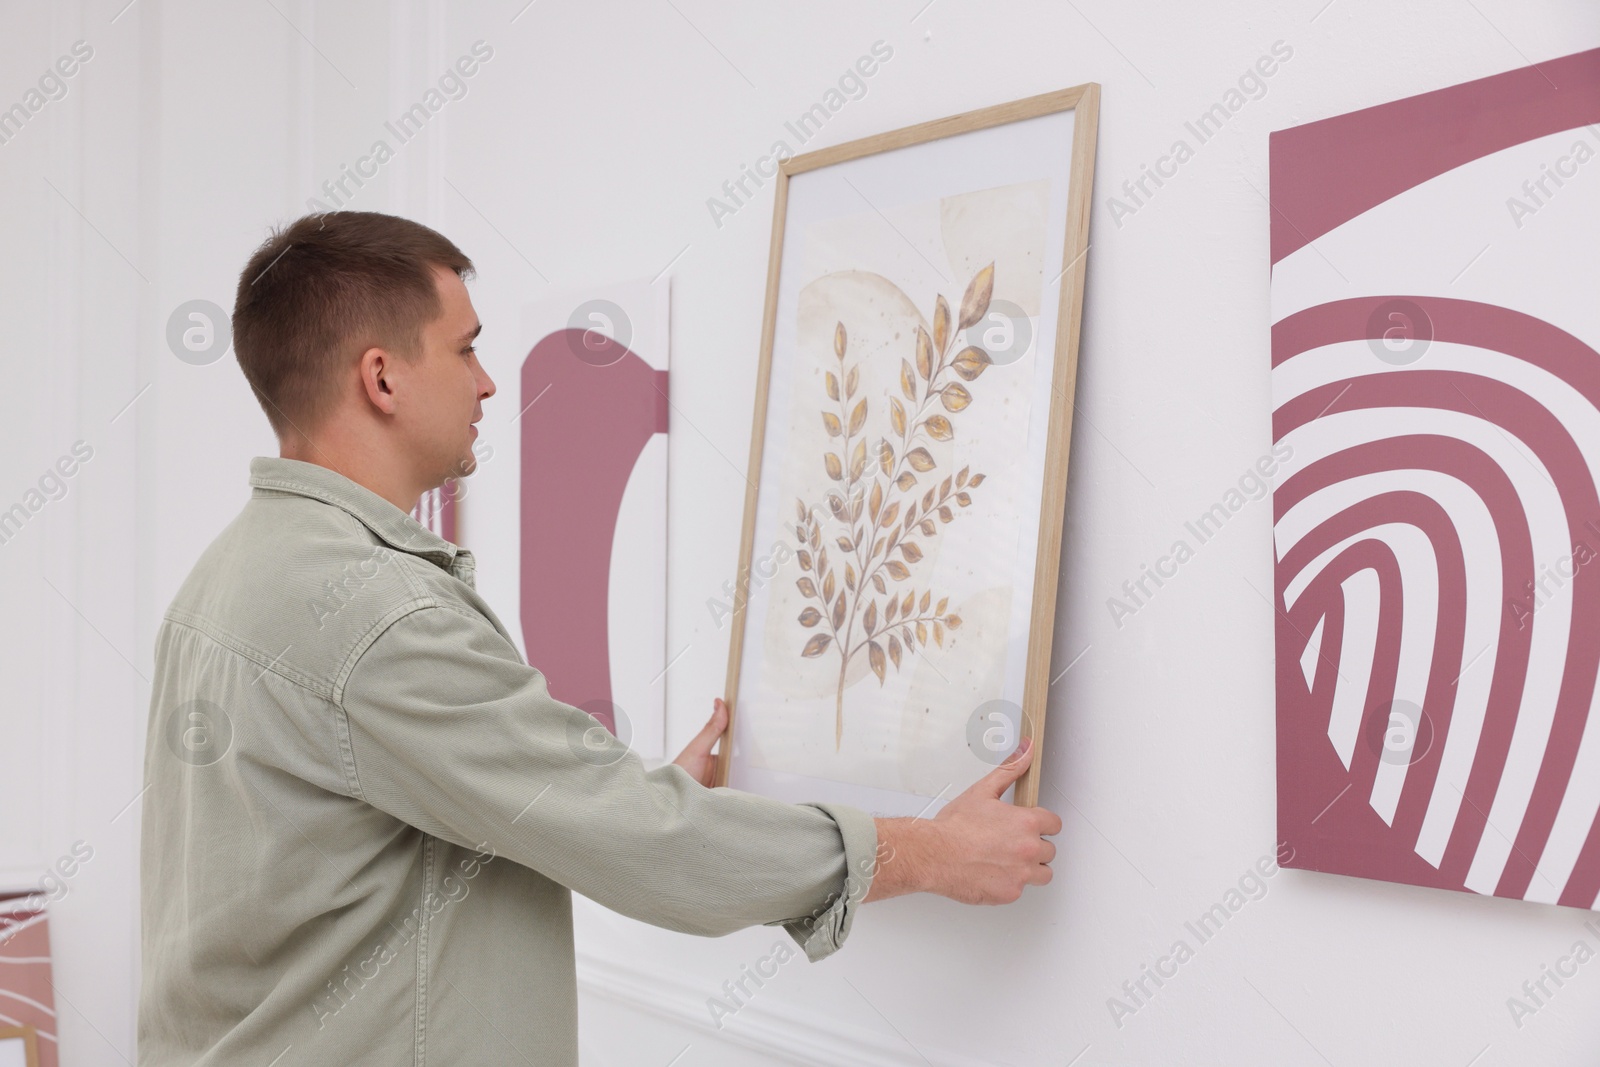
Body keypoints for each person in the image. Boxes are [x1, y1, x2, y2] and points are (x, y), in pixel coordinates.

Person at [137, 210, 1061, 1066]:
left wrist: (619, 795)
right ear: (381, 377)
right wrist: (933, 851)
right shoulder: (381, 613)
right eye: (466, 350)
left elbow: (406, 813)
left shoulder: (226, 576)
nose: (488, 380)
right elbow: (649, 846)